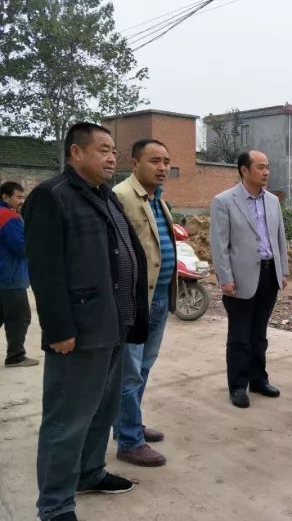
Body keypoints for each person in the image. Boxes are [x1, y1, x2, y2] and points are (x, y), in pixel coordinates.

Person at [23, 122, 149, 521]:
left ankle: (90, 472)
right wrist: (59, 329)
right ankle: (55, 506)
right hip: (79, 332)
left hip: (113, 326)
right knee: (66, 421)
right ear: (76, 153)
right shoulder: (52, 196)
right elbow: (44, 269)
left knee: (102, 411)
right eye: (103, 150)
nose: (112, 158)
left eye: (114, 151)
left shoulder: (105, 195)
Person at [112, 139, 177, 467]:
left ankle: (128, 423)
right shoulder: (122, 196)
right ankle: (129, 441)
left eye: (166, 161)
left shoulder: (157, 199)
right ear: (135, 164)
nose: (162, 167)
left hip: (159, 296)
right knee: (129, 373)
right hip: (134, 301)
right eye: (154, 161)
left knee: (144, 366)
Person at [211, 149, 289, 409]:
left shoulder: (273, 201)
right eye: (260, 167)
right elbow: (219, 245)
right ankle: (237, 386)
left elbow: (280, 238)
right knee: (240, 335)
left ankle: (258, 379)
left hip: (269, 274)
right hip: (240, 277)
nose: (266, 172)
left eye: (267, 167)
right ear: (244, 170)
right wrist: (225, 278)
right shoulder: (224, 201)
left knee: (259, 334)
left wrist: (283, 270)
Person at [0, 181, 38, 367]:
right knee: (20, 317)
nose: (21, 201)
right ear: (5, 197)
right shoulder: (9, 217)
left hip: (4, 276)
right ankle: (15, 356)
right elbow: (22, 248)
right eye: (18, 197)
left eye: (23, 197)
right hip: (11, 277)